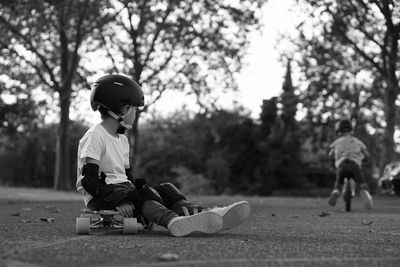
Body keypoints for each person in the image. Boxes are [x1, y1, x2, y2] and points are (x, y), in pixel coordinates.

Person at [75, 74, 251, 237]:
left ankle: (205, 214)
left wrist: (133, 192)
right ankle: (172, 221)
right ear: (124, 109)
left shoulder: (122, 139)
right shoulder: (95, 136)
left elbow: (127, 176)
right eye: (135, 110)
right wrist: (120, 200)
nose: (135, 114)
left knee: (165, 189)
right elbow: (89, 180)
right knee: (144, 195)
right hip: (102, 197)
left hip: (123, 191)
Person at [328, 119, 373, 209]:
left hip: (342, 165)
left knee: (338, 183)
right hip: (354, 165)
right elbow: (367, 154)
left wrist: (334, 159)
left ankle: (336, 192)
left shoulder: (337, 142)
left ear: (339, 131)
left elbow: (330, 155)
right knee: (362, 183)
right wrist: (366, 160)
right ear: (351, 130)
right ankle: (365, 193)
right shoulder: (357, 141)